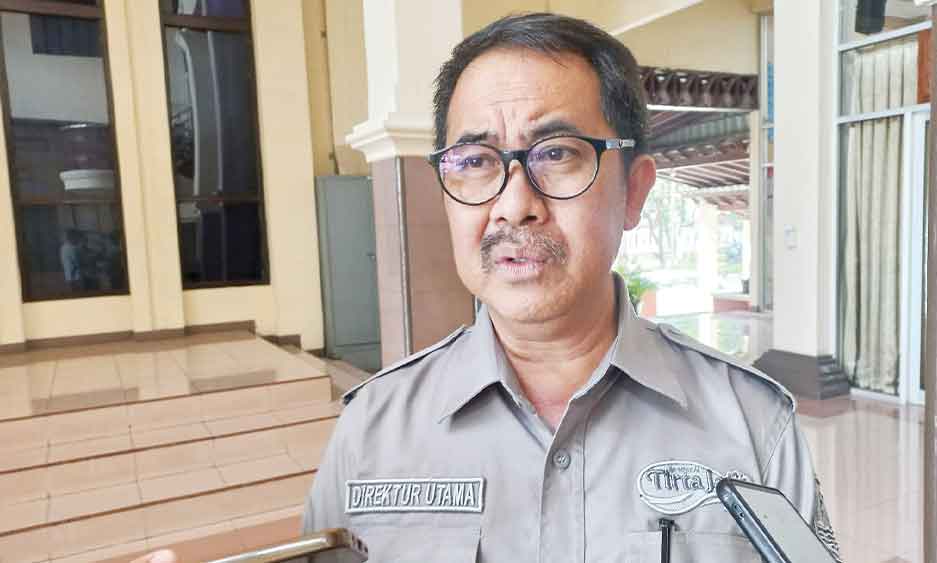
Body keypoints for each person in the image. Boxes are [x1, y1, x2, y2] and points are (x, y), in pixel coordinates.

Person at [133, 12, 840, 563]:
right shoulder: (373, 430)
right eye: (474, 161)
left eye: (556, 153)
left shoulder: (754, 426)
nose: (513, 205)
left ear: (634, 191)